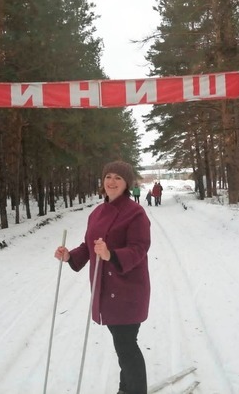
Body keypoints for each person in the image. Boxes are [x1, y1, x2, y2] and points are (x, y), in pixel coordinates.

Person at [54, 160, 151, 394]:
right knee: (124, 346)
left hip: (127, 290)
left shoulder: (135, 212)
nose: (112, 182)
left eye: (118, 178)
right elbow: (89, 247)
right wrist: (69, 256)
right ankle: (126, 389)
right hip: (106, 290)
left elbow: (139, 248)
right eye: (108, 176)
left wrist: (111, 254)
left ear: (126, 183)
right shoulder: (97, 212)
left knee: (126, 346)